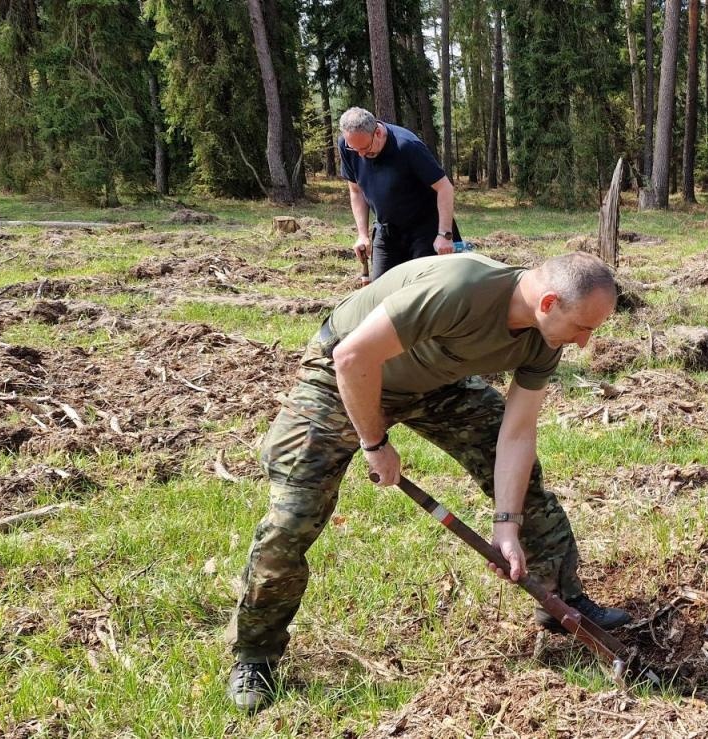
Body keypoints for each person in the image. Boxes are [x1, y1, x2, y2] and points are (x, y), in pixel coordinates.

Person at [225, 252, 630, 713]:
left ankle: (561, 602)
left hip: (436, 385)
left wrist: (506, 525)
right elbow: (351, 355)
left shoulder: (545, 337)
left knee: (526, 488)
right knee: (293, 518)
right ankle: (255, 654)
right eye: (583, 328)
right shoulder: (461, 288)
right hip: (343, 379)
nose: (584, 343)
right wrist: (375, 443)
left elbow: (516, 435)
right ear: (549, 302)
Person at [337, 107, 463, 281]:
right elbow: (356, 190)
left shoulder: (407, 146)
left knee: (424, 290)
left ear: (378, 133)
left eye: (365, 148)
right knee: (381, 290)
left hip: (425, 230)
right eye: (354, 149)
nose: (360, 155)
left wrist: (444, 235)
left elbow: (445, 188)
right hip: (387, 230)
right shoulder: (347, 145)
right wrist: (363, 235)